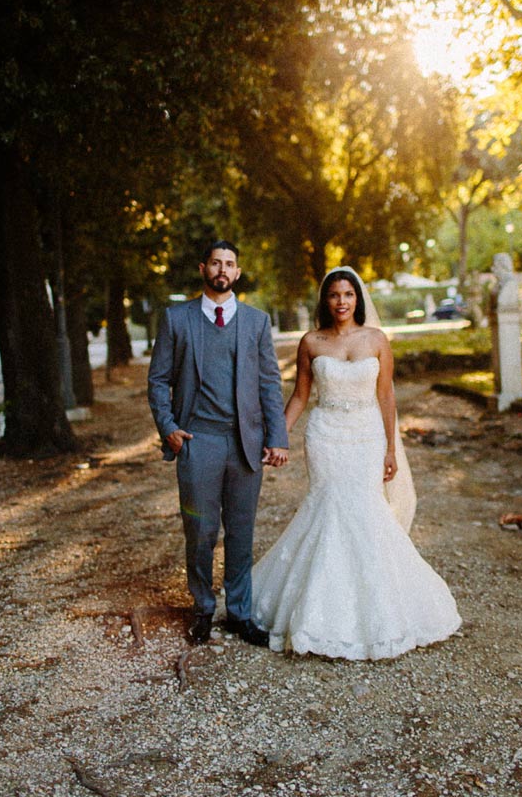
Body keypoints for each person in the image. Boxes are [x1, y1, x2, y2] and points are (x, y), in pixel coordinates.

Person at [251, 267, 461, 660]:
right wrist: (278, 436)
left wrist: (390, 450)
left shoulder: (377, 340)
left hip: (366, 437)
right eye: (334, 295)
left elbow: (386, 399)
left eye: (348, 294)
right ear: (325, 300)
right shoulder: (311, 342)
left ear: (357, 298)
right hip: (326, 434)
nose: (341, 302)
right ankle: (315, 615)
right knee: (327, 509)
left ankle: (380, 615)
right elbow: (299, 396)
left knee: (367, 511)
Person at [148, 241, 289, 647]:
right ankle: (203, 609)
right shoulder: (177, 320)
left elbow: (269, 383)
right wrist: (168, 427)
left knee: (241, 532)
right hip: (198, 441)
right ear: (203, 268)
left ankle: (240, 614)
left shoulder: (257, 323)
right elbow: (158, 379)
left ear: (238, 272)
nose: (222, 269)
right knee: (201, 531)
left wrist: (277, 436)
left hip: (246, 442)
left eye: (229, 264)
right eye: (215, 263)